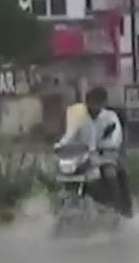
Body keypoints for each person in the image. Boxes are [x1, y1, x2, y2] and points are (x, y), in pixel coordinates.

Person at [54, 86, 130, 217]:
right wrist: (60, 146)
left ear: (103, 103)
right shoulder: (79, 117)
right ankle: (59, 208)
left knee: (110, 174)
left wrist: (104, 147)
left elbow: (114, 138)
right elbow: (69, 135)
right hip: (83, 156)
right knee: (62, 175)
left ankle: (117, 208)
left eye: (97, 101)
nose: (93, 105)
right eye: (91, 101)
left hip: (104, 156)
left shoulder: (110, 118)